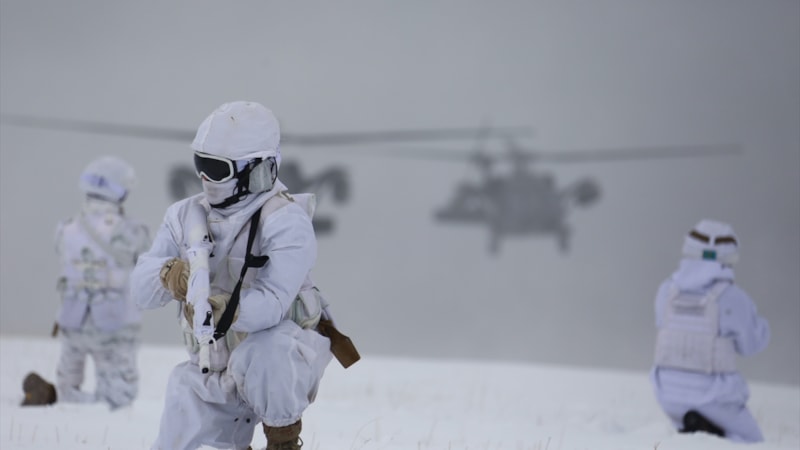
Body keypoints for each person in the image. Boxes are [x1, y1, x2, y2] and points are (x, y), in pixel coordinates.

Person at [130, 101, 357, 450]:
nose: (205, 179)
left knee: (267, 352)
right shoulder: (184, 216)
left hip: (280, 361)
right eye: (200, 165)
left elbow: (274, 303)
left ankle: (282, 441)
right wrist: (170, 276)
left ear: (256, 170)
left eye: (217, 170)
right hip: (211, 365)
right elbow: (140, 291)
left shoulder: (285, 221)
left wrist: (227, 310)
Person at [21, 156, 151, 410]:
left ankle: (55, 398)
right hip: (114, 324)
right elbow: (148, 260)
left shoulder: (67, 228)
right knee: (119, 398)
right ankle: (90, 408)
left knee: (69, 387)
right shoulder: (132, 231)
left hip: (72, 319)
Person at [650, 219, 770, 443]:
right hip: (715, 395)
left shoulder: (667, 291)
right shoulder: (731, 297)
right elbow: (751, 344)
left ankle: (698, 433)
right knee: (753, 442)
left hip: (667, 393)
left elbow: (664, 325)